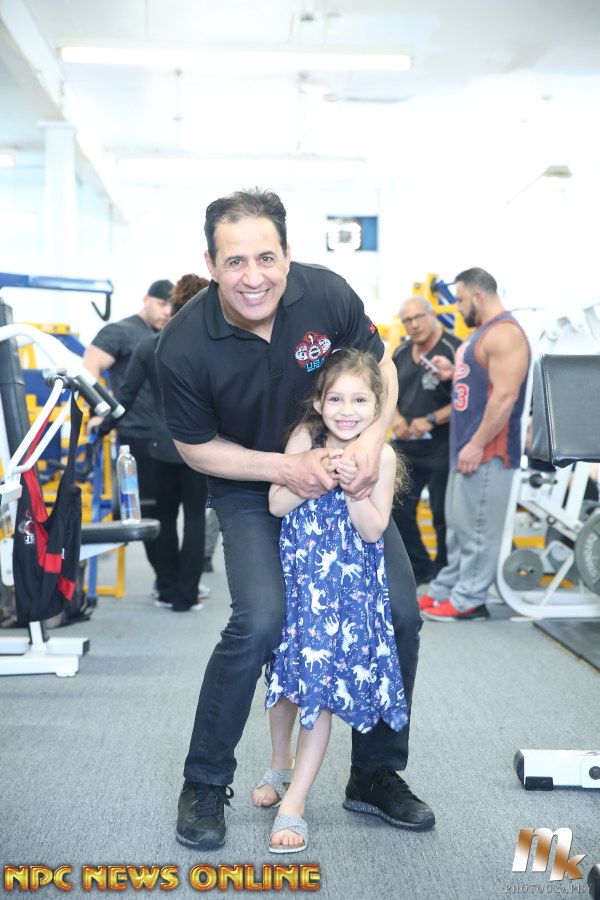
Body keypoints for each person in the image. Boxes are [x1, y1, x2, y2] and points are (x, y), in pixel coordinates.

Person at [156, 188, 434, 851]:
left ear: (287, 255)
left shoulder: (326, 295)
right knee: (261, 619)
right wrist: (286, 469)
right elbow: (196, 448)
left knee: (400, 613)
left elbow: (382, 368)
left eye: (266, 258)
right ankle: (205, 781)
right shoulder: (183, 344)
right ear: (210, 263)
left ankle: (374, 773)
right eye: (234, 261)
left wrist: (368, 447)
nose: (253, 277)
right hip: (252, 486)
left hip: (345, 479)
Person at [253, 349, 409, 853]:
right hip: (299, 583)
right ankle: (279, 764)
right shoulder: (305, 438)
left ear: (377, 405)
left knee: (317, 688)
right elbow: (276, 504)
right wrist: (319, 471)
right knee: (284, 681)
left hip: (342, 595)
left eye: (360, 400)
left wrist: (351, 486)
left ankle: (294, 803)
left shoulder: (382, 457)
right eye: (336, 399)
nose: (347, 410)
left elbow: (373, 530)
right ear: (319, 403)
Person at [419, 267, 530, 622]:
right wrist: (451, 372)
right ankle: (449, 588)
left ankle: (469, 600)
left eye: (462, 299)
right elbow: (481, 383)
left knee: (478, 531)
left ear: (478, 296)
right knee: (458, 528)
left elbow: (506, 396)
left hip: (488, 450)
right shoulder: (482, 333)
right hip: (466, 446)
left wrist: (478, 444)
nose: (458, 306)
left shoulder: (506, 334)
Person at [97, 274, 211, 612]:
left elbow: (124, 397)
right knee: (195, 519)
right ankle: (187, 596)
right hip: (202, 449)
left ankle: (169, 589)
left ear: (173, 305)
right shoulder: (214, 347)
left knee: (164, 517)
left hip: (162, 446)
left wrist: (103, 427)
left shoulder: (149, 346)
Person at [83, 280, 173, 576]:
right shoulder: (120, 331)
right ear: (146, 299)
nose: (166, 311)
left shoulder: (169, 333)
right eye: (161, 304)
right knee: (149, 510)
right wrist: (100, 410)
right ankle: (166, 579)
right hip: (136, 434)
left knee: (169, 512)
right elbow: (90, 365)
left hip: (167, 436)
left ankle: (175, 581)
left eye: (171, 306)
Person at [391, 296, 461, 584]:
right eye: (407, 320)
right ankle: (420, 570)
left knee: (443, 515)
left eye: (418, 317)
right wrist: (396, 418)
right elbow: (387, 389)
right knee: (396, 508)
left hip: (443, 446)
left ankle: (445, 573)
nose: (414, 325)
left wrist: (431, 419)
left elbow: (467, 400)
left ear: (432, 315)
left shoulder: (455, 350)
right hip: (407, 446)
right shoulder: (401, 352)